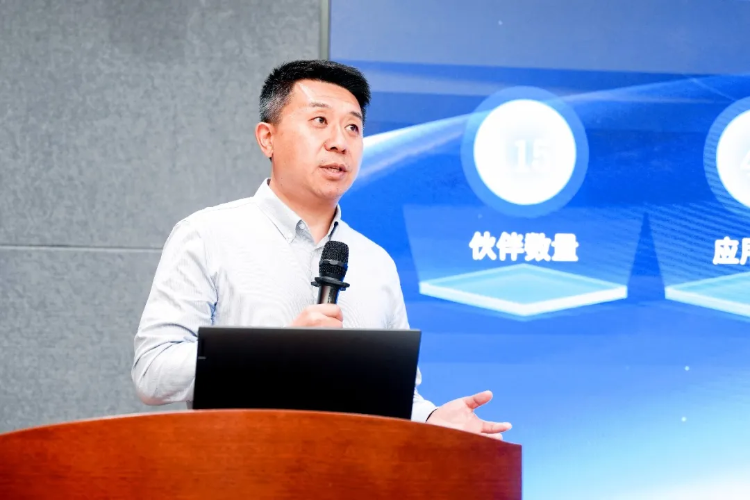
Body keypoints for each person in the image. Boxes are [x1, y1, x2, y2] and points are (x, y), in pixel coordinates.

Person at [132, 59, 512, 439]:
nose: (339, 142)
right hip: (241, 465)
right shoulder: (207, 236)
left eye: (353, 128)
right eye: (320, 121)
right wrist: (276, 350)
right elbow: (152, 371)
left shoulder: (376, 262)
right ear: (267, 138)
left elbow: (396, 395)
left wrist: (432, 419)